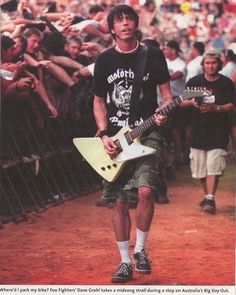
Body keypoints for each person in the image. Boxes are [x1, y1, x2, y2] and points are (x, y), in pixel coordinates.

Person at [92, 5, 172, 283]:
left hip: (147, 131)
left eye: (129, 19)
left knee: (147, 191)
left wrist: (163, 114)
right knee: (120, 202)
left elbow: (166, 94)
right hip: (115, 137)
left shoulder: (153, 55)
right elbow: (99, 100)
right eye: (119, 20)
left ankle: (140, 250)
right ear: (112, 28)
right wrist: (103, 134)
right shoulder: (103, 60)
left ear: (136, 24)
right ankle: (125, 261)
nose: (125, 23)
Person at [181, 49, 236, 214]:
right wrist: (193, 103)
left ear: (219, 64)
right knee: (200, 170)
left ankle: (210, 198)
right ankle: (207, 196)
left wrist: (216, 108)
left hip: (218, 131)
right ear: (203, 65)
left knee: (214, 166)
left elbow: (232, 104)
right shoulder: (194, 82)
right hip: (198, 130)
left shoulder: (226, 83)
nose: (211, 66)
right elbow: (181, 102)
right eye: (208, 63)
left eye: (214, 63)